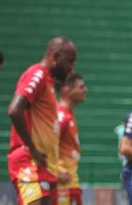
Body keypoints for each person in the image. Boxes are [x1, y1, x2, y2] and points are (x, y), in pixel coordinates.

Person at [7, 36, 77, 205]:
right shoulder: (37, 73)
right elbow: (14, 110)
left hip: (43, 166)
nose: (71, 68)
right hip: (29, 164)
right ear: (55, 56)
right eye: (69, 61)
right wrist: (33, 150)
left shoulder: (48, 82)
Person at [57, 73, 87, 205]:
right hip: (61, 185)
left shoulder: (68, 114)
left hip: (71, 183)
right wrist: (56, 172)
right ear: (67, 90)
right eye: (81, 87)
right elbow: (41, 145)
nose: (85, 90)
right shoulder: (60, 116)